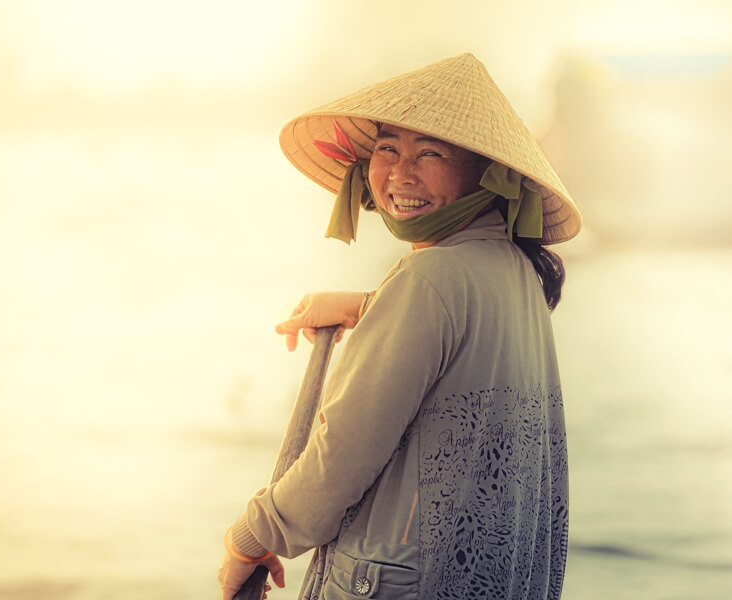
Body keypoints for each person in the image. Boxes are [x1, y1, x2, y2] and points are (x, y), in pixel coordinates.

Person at [218, 53, 581, 600]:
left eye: (430, 153)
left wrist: (252, 535)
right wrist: (369, 305)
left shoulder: (428, 280)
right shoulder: (515, 271)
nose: (400, 173)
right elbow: (461, 342)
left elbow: (340, 457)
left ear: (485, 175)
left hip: (396, 580)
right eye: (388, 149)